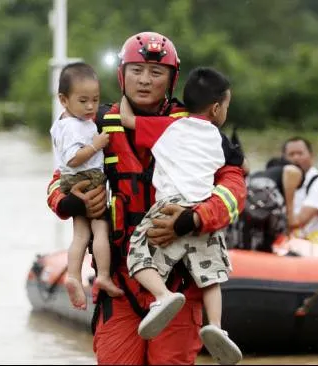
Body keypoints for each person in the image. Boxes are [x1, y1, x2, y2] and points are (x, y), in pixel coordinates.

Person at [45, 31, 246, 365]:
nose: (144, 81)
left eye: (155, 73)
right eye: (136, 71)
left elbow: (234, 187)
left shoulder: (196, 127)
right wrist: (70, 203)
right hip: (121, 282)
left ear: (171, 79)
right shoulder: (92, 123)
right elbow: (57, 181)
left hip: (181, 282)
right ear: (123, 74)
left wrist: (193, 219)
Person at [118, 66, 242, 364]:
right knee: (211, 277)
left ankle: (162, 296)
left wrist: (123, 94)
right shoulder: (222, 141)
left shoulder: (167, 127)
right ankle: (216, 327)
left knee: (136, 254)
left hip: (168, 205)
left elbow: (126, 120)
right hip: (201, 208)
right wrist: (196, 218)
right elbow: (237, 173)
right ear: (216, 108)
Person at [48, 62, 124, 310]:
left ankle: (72, 275)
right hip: (88, 178)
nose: (91, 107)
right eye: (83, 101)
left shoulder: (64, 122)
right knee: (100, 228)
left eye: (95, 99)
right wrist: (96, 145)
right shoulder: (73, 127)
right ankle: (102, 275)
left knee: (80, 235)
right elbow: (72, 158)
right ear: (63, 99)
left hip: (72, 182)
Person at [238, 157, 304, 252]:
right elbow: (292, 171)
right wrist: (291, 218)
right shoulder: (292, 170)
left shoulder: (257, 174)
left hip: (244, 203)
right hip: (266, 199)